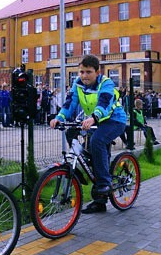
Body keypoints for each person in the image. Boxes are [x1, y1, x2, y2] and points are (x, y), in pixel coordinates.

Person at [50, 54, 127, 214]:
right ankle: (100, 202)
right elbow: (70, 103)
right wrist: (59, 117)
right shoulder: (77, 85)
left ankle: (105, 183)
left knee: (97, 142)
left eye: (88, 72)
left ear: (97, 72)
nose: (84, 76)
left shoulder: (106, 83)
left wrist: (94, 117)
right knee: (72, 134)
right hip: (94, 121)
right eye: (81, 72)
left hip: (114, 120)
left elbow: (104, 103)